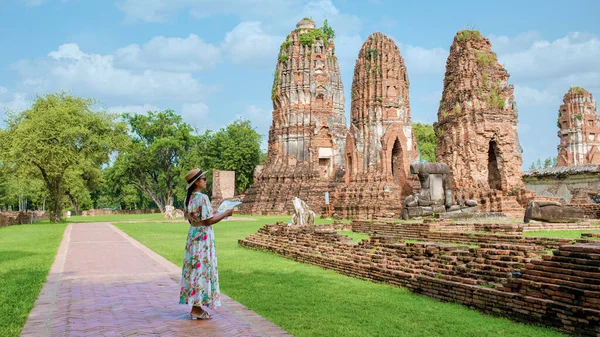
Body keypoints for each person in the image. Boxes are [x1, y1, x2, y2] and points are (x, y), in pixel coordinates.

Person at [179, 168, 233, 320]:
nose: (205, 181)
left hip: (193, 235)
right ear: (197, 182)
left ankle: (196, 307)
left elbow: (192, 220)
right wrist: (225, 214)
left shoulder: (188, 198)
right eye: (203, 179)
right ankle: (196, 309)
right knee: (202, 269)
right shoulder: (202, 198)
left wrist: (216, 213)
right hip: (203, 237)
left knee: (194, 271)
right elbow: (208, 221)